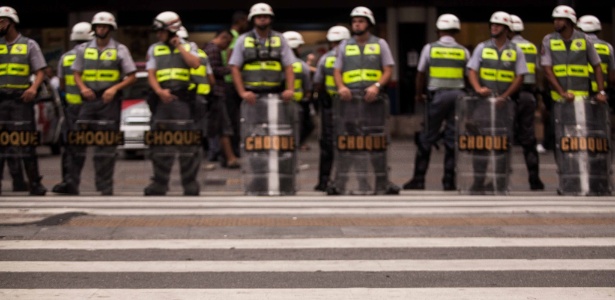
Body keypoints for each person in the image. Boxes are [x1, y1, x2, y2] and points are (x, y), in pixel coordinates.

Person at [330, 6, 400, 195]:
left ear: (368, 24)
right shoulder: (345, 45)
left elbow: (388, 69)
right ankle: (341, 184)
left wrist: (377, 85)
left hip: (373, 100)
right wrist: (342, 87)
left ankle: (381, 183)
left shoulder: (380, 44)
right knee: (349, 142)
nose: (357, 24)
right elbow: (337, 71)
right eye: (354, 21)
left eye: (360, 21)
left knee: (376, 142)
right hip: (350, 101)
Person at [228, 2, 296, 195]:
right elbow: (234, 67)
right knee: (255, 141)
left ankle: (281, 183)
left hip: (276, 97)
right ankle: (257, 182)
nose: (262, 19)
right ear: (253, 20)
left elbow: (289, 66)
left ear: (270, 19)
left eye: (265, 16)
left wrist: (290, 89)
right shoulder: (243, 40)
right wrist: (242, 92)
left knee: (277, 141)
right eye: (259, 17)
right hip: (253, 99)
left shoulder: (280, 39)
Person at [540, 5, 609, 195]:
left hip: (582, 102)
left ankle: (586, 180)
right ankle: (565, 179)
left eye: (560, 19)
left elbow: (596, 66)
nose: (556, 22)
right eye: (555, 19)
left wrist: (601, 91)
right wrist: (562, 92)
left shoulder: (584, 39)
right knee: (561, 141)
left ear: (569, 21)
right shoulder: (549, 40)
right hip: (560, 101)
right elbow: (547, 69)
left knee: (583, 142)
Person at [71, 11, 137, 195]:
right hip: (89, 100)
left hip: (109, 101)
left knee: (106, 145)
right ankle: (72, 184)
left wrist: (114, 88)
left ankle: (105, 187)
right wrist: (83, 88)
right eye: (98, 26)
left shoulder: (120, 49)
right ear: (94, 29)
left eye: (104, 26)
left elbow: (132, 77)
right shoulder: (83, 49)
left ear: (111, 29)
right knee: (78, 142)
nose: (101, 29)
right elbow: (76, 72)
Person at [402, 14, 470, 191]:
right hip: (458, 97)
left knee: (426, 137)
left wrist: (418, 95)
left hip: (437, 97)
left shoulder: (429, 48)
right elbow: (469, 75)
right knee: (452, 139)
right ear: (455, 31)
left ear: (439, 30)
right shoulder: (463, 51)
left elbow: (420, 74)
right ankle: (449, 181)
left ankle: (419, 179)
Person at [466, 11, 528, 193]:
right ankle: (478, 182)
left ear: (507, 29)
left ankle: (500, 182)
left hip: (504, 104)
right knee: (480, 143)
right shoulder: (482, 48)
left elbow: (519, 76)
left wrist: (505, 96)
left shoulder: (516, 50)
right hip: (483, 103)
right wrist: (478, 88)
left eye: (498, 25)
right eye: (492, 24)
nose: (494, 27)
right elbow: (472, 70)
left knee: (502, 143)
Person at [143, 12, 202, 196]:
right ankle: (159, 184)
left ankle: (190, 185)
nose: (158, 35)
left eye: (161, 31)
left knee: (187, 144)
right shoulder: (154, 49)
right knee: (160, 145)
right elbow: (151, 73)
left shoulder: (189, 46)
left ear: (171, 30)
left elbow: (195, 64)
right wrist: (159, 91)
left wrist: (180, 47)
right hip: (162, 101)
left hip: (183, 101)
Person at [0, 6, 48, 195]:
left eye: (1, 21)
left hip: (21, 101)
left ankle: (35, 183)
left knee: (26, 142)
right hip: (0, 101)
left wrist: (33, 88)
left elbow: (40, 71)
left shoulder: (29, 45)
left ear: (11, 22)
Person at [52, 22, 94, 195]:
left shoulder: (65, 58)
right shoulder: (93, 56)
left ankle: (69, 181)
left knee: (70, 147)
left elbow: (61, 85)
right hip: (92, 107)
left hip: (72, 109)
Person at [312, 25, 350, 192]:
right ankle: (347, 180)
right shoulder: (353, 58)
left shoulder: (325, 59)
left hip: (331, 107)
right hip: (350, 106)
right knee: (350, 143)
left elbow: (318, 83)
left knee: (328, 145)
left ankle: (324, 181)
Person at [509, 14, 545, 190]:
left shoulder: (507, 47)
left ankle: (501, 177)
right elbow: (537, 71)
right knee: (528, 138)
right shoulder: (531, 46)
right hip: (528, 94)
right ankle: (534, 179)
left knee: (503, 136)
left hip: (510, 95)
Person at [200, 28, 240, 169]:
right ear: (222, 38)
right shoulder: (213, 50)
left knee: (217, 127)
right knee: (223, 127)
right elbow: (215, 70)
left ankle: (224, 157)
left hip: (210, 93)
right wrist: (231, 68)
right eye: (227, 43)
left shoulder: (207, 48)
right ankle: (229, 158)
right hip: (215, 92)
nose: (227, 47)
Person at [282, 31, 313, 151]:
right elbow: (308, 88)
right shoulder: (302, 66)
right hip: (298, 104)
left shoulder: (278, 64)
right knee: (298, 128)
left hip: (280, 103)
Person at [224, 10, 250, 157]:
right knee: (235, 118)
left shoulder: (231, 35)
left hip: (230, 82)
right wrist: (233, 70)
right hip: (231, 83)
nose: (246, 24)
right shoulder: (235, 36)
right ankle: (236, 150)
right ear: (240, 21)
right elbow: (231, 55)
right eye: (245, 21)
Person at [576, 15, 615, 98]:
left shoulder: (576, 45)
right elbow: (612, 77)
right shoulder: (608, 47)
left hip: (580, 92)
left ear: (579, 28)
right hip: (600, 93)